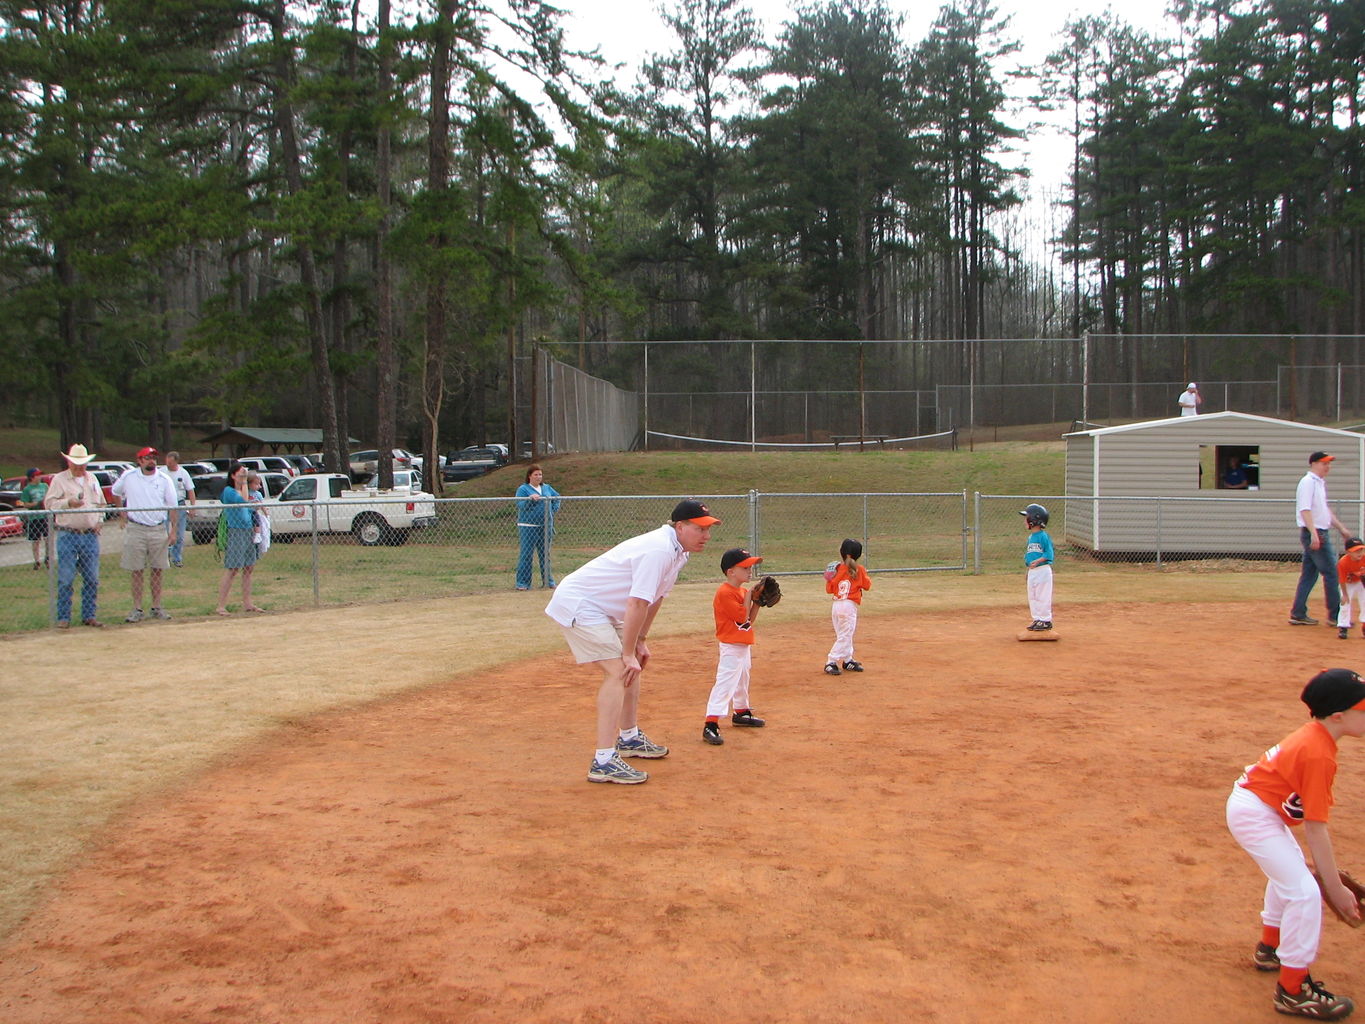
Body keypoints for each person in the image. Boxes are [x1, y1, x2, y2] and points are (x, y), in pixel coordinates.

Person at [544, 498, 720, 785]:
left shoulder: (679, 553)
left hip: (603, 609)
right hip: (580, 604)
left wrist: (639, 641)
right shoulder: (659, 550)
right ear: (680, 526)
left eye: (708, 529)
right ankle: (602, 761)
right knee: (618, 669)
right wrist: (626, 653)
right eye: (700, 529)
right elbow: (637, 601)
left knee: (632, 664)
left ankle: (628, 738)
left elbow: (655, 598)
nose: (706, 536)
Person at [1226, 667, 1365, 1020]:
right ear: (1339, 716)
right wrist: (1335, 890)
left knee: (1290, 878)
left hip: (1259, 808)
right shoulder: (1318, 754)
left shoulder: (1317, 737)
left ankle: (1269, 948)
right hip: (1255, 814)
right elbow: (1316, 830)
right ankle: (1292, 990)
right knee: (1304, 891)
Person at [702, 548, 767, 746]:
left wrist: (758, 602)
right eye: (745, 567)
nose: (750, 571)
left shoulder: (742, 592)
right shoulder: (724, 592)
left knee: (742, 678)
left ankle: (741, 712)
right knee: (726, 681)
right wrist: (750, 597)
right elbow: (740, 616)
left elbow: (748, 620)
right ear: (731, 572)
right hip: (730, 645)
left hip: (743, 643)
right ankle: (710, 723)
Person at [43, 443, 108, 629]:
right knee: (66, 578)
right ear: (69, 462)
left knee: (92, 578)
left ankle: (89, 615)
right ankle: (63, 617)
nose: (79, 467)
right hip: (68, 534)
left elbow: (101, 504)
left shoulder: (93, 479)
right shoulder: (59, 480)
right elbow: (49, 504)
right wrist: (67, 503)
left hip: (89, 535)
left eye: (83, 463)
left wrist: (99, 521)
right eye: (76, 463)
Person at [112, 446, 178, 623]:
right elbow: (115, 492)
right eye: (147, 458)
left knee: (157, 569)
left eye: (154, 458)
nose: (152, 461)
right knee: (136, 570)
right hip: (136, 528)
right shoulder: (129, 477)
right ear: (139, 461)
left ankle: (157, 607)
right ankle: (137, 608)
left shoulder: (164, 479)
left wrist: (172, 531)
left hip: (158, 528)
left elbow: (173, 506)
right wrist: (122, 512)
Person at [1290, 451, 1349, 627]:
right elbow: (1305, 509)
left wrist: (1341, 528)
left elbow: (1325, 510)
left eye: (1328, 463)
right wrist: (1314, 534)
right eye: (1324, 463)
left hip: (1319, 532)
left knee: (1309, 574)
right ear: (1314, 464)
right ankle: (1335, 615)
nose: (1327, 467)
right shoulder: (1308, 482)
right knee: (1332, 572)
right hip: (1316, 533)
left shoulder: (1319, 483)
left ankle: (1298, 613)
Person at [215, 463, 265, 615]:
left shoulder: (245, 490)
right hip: (235, 531)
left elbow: (248, 506)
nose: (243, 476)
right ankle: (221, 606)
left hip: (247, 530)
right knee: (233, 569)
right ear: (233, 476)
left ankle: (248, 603)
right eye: (240, 473)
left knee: (249, 567)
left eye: (244, 474)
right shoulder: (229, 491)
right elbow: (243, 500)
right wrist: (244, 481)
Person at [824, 538, 871, 675]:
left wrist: (829, 577)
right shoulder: (859, 569)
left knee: (844, 634)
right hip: (848, 606)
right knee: (845, 635)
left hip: (836, 605)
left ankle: (848, 659)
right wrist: (864, 575)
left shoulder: (837, 569)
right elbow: (867, 586)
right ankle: (831, 661)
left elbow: (829, 589)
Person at [515, 464, 561, 590]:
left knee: (545, 554)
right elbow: (520, 505)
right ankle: (523, 583)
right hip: (528, 526)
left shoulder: (546, 488)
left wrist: (552, 509)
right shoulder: (523, 489)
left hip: (545, 526)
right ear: (529, 476)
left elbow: (557, 498)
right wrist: (530, 499)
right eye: (535, 474)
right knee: (526, 554)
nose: (538, 477)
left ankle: (548, 581)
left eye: (540, 474)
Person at [1021, 502, 1055, 631]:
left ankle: (1045, 620)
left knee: (1043, 595)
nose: (1025, 521)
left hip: (1043, 570)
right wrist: (1028, 569)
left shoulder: (1043, 536)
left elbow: (1049, 554)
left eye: (1027, 518)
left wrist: (1038, 561)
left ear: (1035, 520)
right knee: (1033, 595)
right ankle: (1037, 618)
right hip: (1033, 571)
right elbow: (1029, 555)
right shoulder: (1031, 537)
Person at [161, 451, 196, 567]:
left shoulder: (183, 473)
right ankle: (163, 558)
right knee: (163, 533)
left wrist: (192, 507)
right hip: (164, 505)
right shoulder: (161, 472)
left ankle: (177, 558)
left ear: (176, 461)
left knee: (179, 535)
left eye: (170, 462)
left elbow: (190, 490)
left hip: (179, 505)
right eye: (167, 461)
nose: (168, 464)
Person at [16, 467, 50, 570]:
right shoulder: (27, 489)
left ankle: (47, 558)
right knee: (36, 541)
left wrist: (45, 503)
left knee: (48, 539)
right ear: (32, 477)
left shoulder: (44, 486)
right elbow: (22, 503)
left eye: (40, 474)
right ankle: (37, 561)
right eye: (37, 475)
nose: (40, 476)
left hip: (45, 516)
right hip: (34, 518)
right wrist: (34, 504)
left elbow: (49, 497)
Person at [1337, 538, 1365, 640]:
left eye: (1361, 550)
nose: (1359, 553)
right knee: (1345, 603)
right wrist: (1344, 595)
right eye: (1356, 551)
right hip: (1348, 584)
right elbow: (1342, 580)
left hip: (1361, 582)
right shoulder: (1343, 562)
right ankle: (1343, 626)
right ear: (1348, 552)